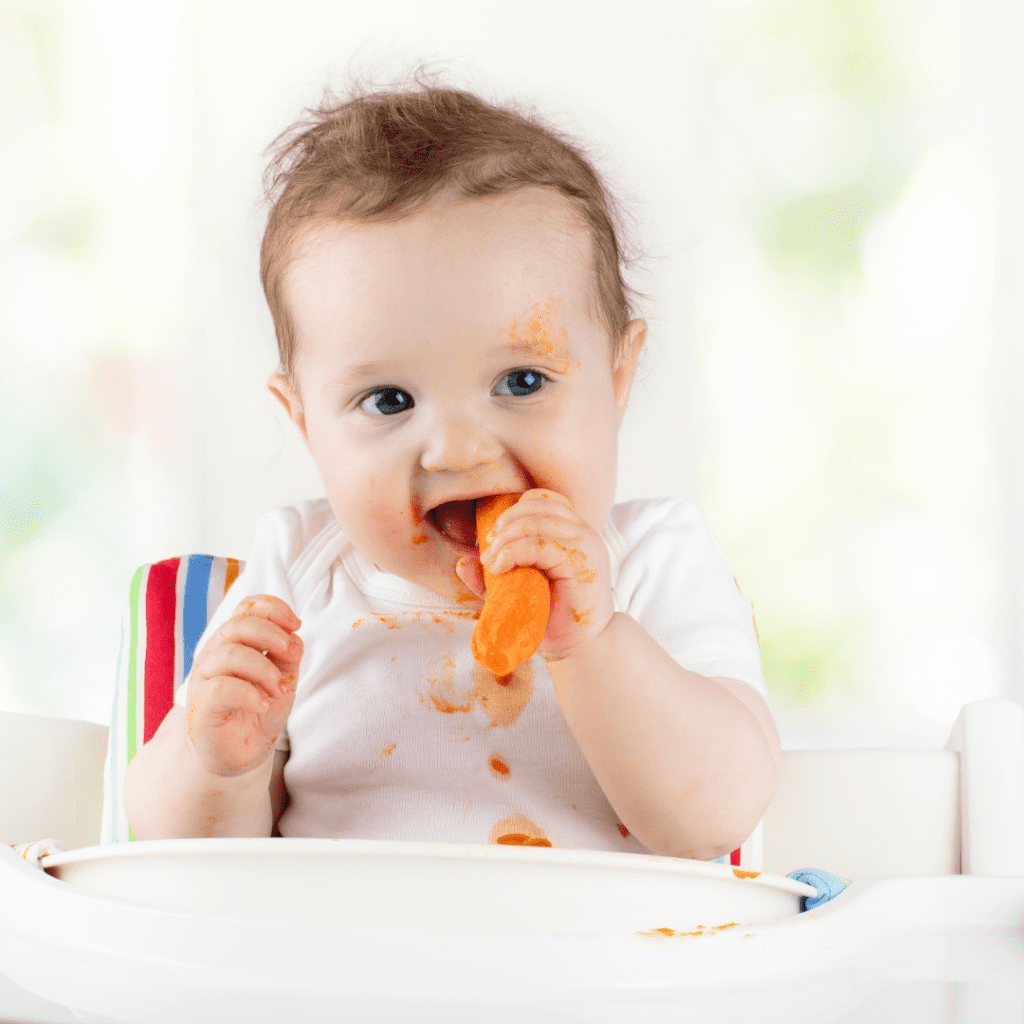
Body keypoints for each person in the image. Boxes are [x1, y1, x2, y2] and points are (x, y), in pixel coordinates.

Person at [124, 65, 782, 862]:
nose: (459, 451)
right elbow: (183, 855)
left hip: (589, 974)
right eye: (389, 400)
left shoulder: (652, 561)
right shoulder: (295, 573)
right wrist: (218, 764)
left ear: (616, 379)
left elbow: (718, 815)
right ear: (303, 420)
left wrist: (594, 644)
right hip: (335, 969)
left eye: (522, 381)